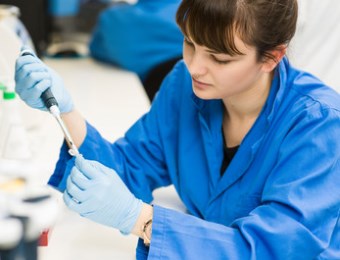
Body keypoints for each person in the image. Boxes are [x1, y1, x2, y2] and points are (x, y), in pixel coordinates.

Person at [15, 0, 340, 259]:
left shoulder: (319, 125)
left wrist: (141, 220)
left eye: (220, 59)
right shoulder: (185, 85)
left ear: (272, 57)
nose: (195, 66)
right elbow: (127, 170)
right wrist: (64, 110)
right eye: (189, 43)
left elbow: (269, 250)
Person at [89, 0, 183, 101]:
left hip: (158, 103)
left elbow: (97, 50)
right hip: (191, 106)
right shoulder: (195, 12)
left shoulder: (114, 19)